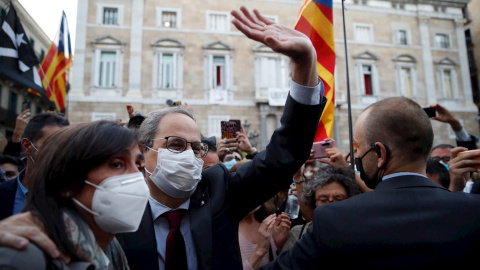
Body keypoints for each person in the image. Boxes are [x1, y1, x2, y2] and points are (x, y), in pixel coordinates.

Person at [0, 6, 326, 269]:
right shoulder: (114, 209)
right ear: (145, 154)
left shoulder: (218, 190)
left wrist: (305, 63)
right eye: (175, 144)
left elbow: (286, 153)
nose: (189, 155)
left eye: (196, 148)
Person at [259, 96, 480, 269]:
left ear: (380, 154)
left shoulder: (335, 219)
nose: (357, 156)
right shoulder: (473, 210)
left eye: (359, 149)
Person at [0, 120, 149, 269]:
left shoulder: (111, 250)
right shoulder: (24, 256)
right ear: (67, 180)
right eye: (117, 164)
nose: (136, 176)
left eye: (138, 165)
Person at [0, 112, 69, 220]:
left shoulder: (74, 198)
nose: (59, 152)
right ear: (27, 146)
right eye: (51, 144)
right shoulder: (3, 193)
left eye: (65, 146)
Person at [283, 165, 360, 251]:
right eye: (323, 200)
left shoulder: (360, 233)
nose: (330, 205)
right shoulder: (297, 234)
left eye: (338, 199)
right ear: (314, 202)